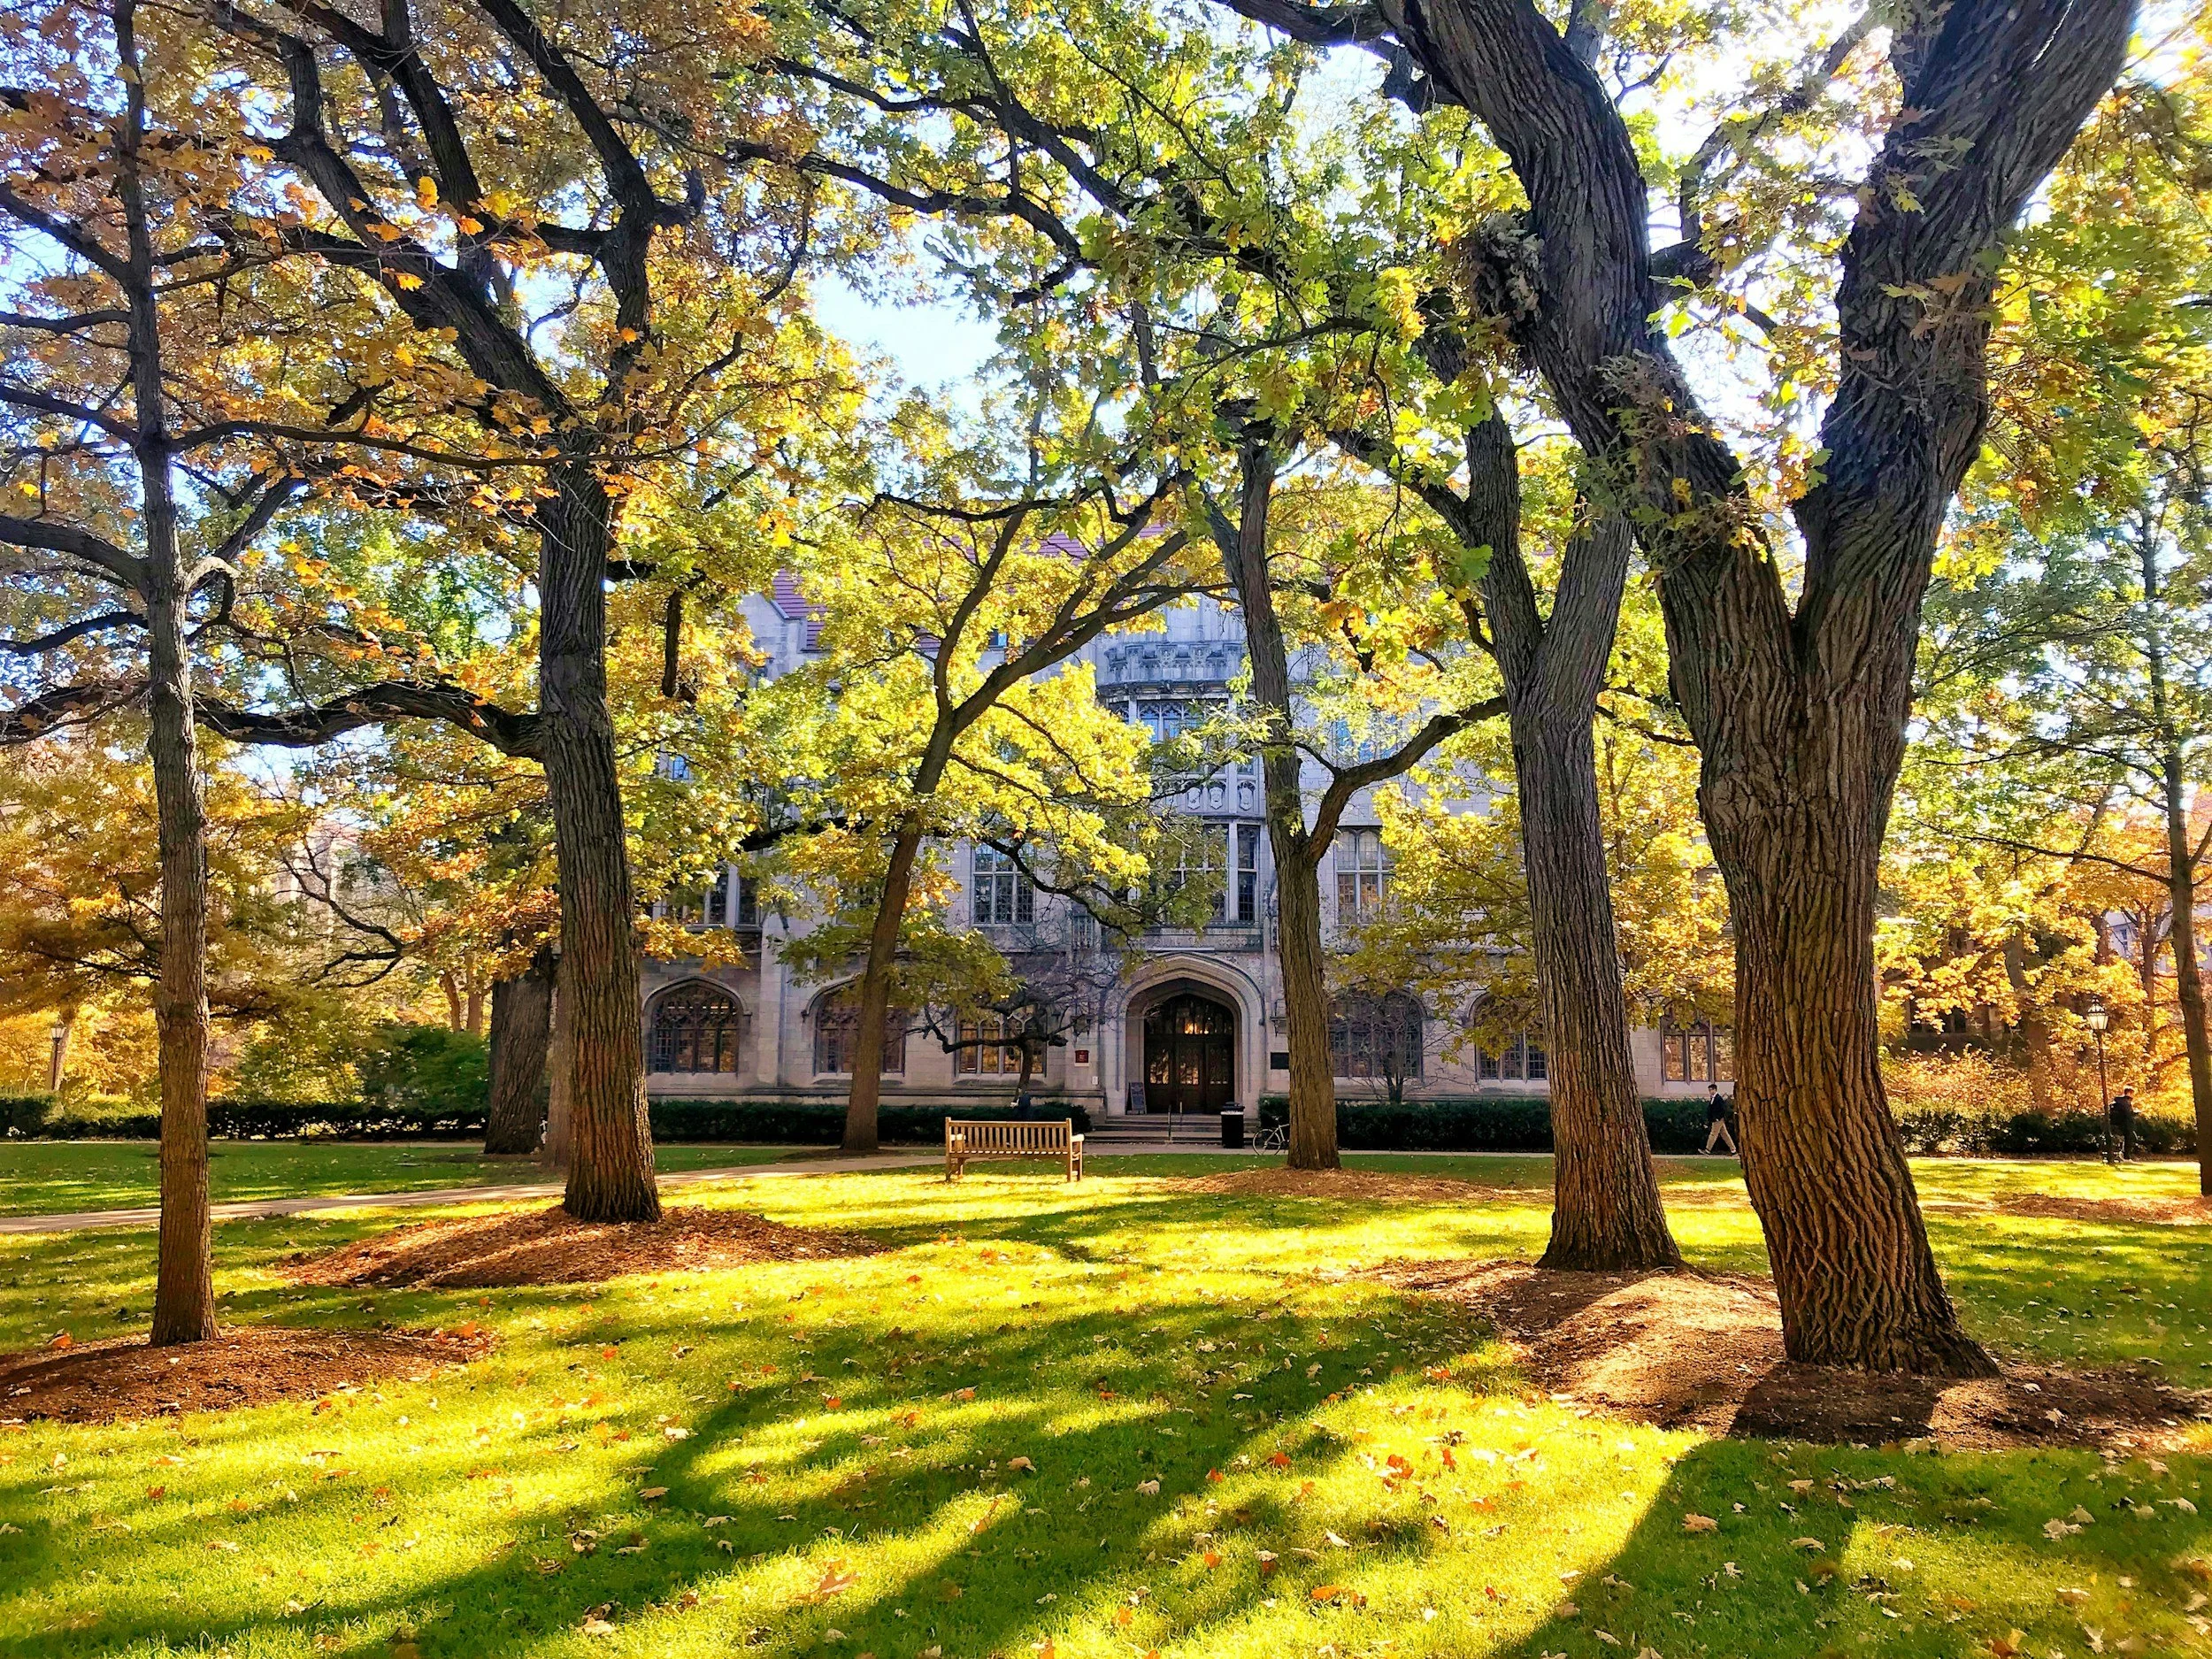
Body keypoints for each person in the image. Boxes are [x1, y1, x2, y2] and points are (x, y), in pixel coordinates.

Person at [1701, 1084, 1738, 1156]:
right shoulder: (1713, 1098)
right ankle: (1733, 1150)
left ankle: (1707, 1150)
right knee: (1725, 1135)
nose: (1710, 1091)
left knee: (1713, 1134)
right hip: (1716, 1119)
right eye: (1709, 1090)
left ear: (1715, 1090)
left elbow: (1722, 1109)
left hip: (1717, 1120)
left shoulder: (1718, 1099)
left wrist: (1717, 1118)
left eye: (1711, 1090)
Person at [2108, 1085, 2138, 1164]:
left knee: (2131, 1136)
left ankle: (2123, 1154)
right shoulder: (2125, 1103)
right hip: (2122, 1126)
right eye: (2132, 1094)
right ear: (2129, 1093)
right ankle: (2126, 1157)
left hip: (2116, 1125)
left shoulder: (2119, 1102)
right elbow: (2127, 1115)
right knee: (2131, 1137)